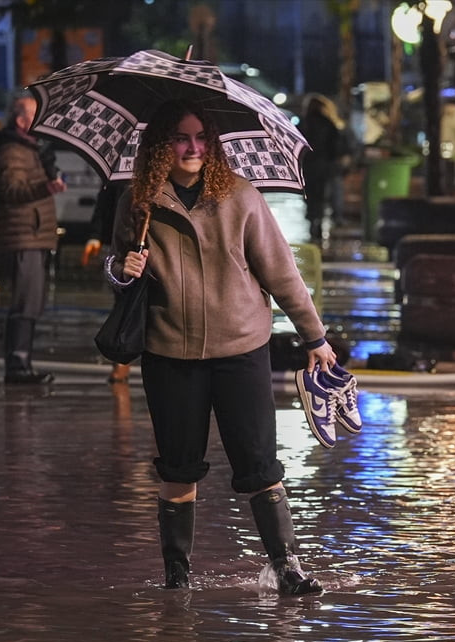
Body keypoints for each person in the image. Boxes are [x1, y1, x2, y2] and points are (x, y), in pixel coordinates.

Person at [109, 99, 338, 595]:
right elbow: (115, 270)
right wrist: (121, 269)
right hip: (170, 352)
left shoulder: (239, 196)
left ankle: (287, 567)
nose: (191, 148)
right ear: (160, 145)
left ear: (211, 144)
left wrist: (314, 336)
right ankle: (177, 576)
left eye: (200, 138)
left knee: (259, 463)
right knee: (178, 466)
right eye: (179, 138)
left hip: (240, 349)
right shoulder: (139, 202)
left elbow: (282, 272)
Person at [0, 90, 66, 384]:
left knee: (32, 301)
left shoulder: (32, 148)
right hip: (24, 235)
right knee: (25, 301)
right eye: (36, 117)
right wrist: (45, 189)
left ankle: (22, 364)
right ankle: (18, 366)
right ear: (22, 121)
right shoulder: (12, 150)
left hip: (33, 234)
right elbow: (10, 191)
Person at [81, 180, 132, 384]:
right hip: (127, 243)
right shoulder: (125, 170)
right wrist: (95, 235)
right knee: (123, 304)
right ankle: (121, 360)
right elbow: (106, 199)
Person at [298, 93, 347, 244]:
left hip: (308, 166)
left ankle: (313, 220)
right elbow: (336, 146)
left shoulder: (303, 124)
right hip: (324, 166)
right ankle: (318, 220)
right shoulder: (328, 124)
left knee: (310, 195)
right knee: (321, 195)